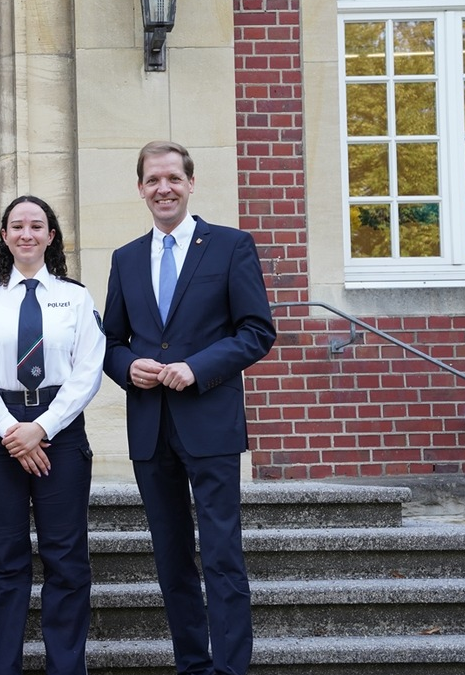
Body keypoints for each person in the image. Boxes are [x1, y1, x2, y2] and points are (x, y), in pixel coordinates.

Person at [101, 141, 276, 675]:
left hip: (210, 424)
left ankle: (230, 669)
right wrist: (127, 367)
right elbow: (109, 343)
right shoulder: (126, 258)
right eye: (153, 180)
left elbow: (256, 332)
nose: (164, 188)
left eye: (173, 178)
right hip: (151, 429)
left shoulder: (230, 246)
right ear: (140, 188)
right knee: (172, 557)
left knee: (222, 555)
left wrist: (198, 367)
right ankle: (192, 665)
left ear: (191, 183)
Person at [0, 196, 105, 675]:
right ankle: (4, 667)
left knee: (66, 559)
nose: (26, 234)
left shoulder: (76, 297)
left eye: (36, 226)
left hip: (58, 427)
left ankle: (66, 667)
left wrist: (41, 428)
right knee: (2, 561)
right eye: (16, 226)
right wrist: (10, 430)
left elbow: (88, 371)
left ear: (51, 236)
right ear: (4, 236)